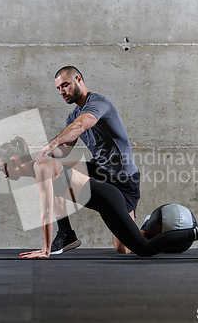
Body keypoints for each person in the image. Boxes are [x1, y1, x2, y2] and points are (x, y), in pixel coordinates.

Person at [0, 137, 198, 259]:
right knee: (139, 248)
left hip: (108, 199)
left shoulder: (41, 167)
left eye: (3, 169)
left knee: (144, 248)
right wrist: (66, 235)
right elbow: (58, 204)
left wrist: (44, 250)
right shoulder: (39, 169)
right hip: (105, 202)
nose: (4, 175)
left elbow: (45, 211)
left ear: (13, 160)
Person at [36, 66, 141, 254]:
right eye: (58, 88)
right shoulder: (72, 116)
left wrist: (52, 143)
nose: (62, 92)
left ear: (79, 79)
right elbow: (64, 152)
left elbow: (81, 125)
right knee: (52, 172)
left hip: (123, 178)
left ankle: (152, 228)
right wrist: (37, 157)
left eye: (65, 85)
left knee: (123, 248)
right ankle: (67, 235)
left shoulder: (98, 103)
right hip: (99, 169)